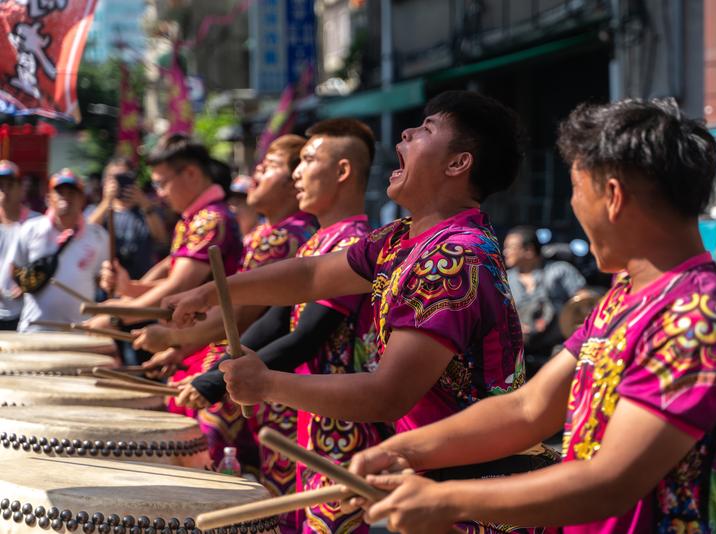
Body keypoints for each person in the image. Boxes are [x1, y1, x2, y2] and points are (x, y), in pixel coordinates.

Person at [333, 99, 716, 534]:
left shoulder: (696, 316)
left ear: (612, 197)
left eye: (577, 189)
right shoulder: (626, 296)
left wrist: (446, 499)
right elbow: (529, 407)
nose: (574, 206)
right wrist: (405, 451)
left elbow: (611, 481)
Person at [165, 91, 539, 533]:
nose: (406, 132)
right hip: (426, 479)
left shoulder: (452, 256)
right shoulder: (402, 238)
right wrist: (212, 291)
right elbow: (310, 277)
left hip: (470, 494)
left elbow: (388, 393)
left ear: (458, 164)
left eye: (427, 130)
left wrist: (266, 383)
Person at [164, 120, 380, 532]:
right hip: (304, 416)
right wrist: (214, 373)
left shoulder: (355, 244)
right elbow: (274, 320)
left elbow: (305, 337)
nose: (298, 172)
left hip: (342, 423)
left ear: (343, 171)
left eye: (310, 161)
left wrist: (214, 383)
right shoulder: (318, 241)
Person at [131, 134, 318, 490]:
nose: (258, 171)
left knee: (223, 483)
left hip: (258, 378)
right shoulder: (271, 232)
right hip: (262, 374)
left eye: (271, 165)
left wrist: (175, 339)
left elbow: (246, 315)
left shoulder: (280, 236)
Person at [86, 134, 242, 338]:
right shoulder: (193, 218)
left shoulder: (210, 220)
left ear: (191, 173)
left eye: (161, 184)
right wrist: (129, 290)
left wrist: (118, 316)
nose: (159, 193)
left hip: (211, 341)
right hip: (194, 337)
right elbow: (175, 282)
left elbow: (180, 286)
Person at [13, 169, 109, 332]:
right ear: (49, 198)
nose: (66, 197)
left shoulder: (98, 235)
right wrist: (26, 284)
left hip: (80, 331)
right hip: (35, 330)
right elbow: (15, 268)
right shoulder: (30, 229)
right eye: (60, 192)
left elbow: (102, 278)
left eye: (72, 192)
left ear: (81, 199)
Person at [503, 226, 586, 372]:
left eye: (511, 247)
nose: (505, 252)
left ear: (529, 251)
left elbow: (584, 304)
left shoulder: (560, 271)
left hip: (558, 352)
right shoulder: (505, 280)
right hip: (517, 356)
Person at [87, 157, 168, 280]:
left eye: (124, 177)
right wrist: (106, 202)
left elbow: (162, 239)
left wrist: (144, 203)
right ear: (105, 182)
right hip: (106, 286)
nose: (119, 182)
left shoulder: (147, 210)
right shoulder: (98, 210)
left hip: (141, 283)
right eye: (114, 178)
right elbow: (85, 235)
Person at [0, 160, 41, 330]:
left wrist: (27, 285)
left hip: (27, 311)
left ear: (20, 188)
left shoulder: (37, 223)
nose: (4, 191)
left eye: (10, 184)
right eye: (0, 185)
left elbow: (46, 263)